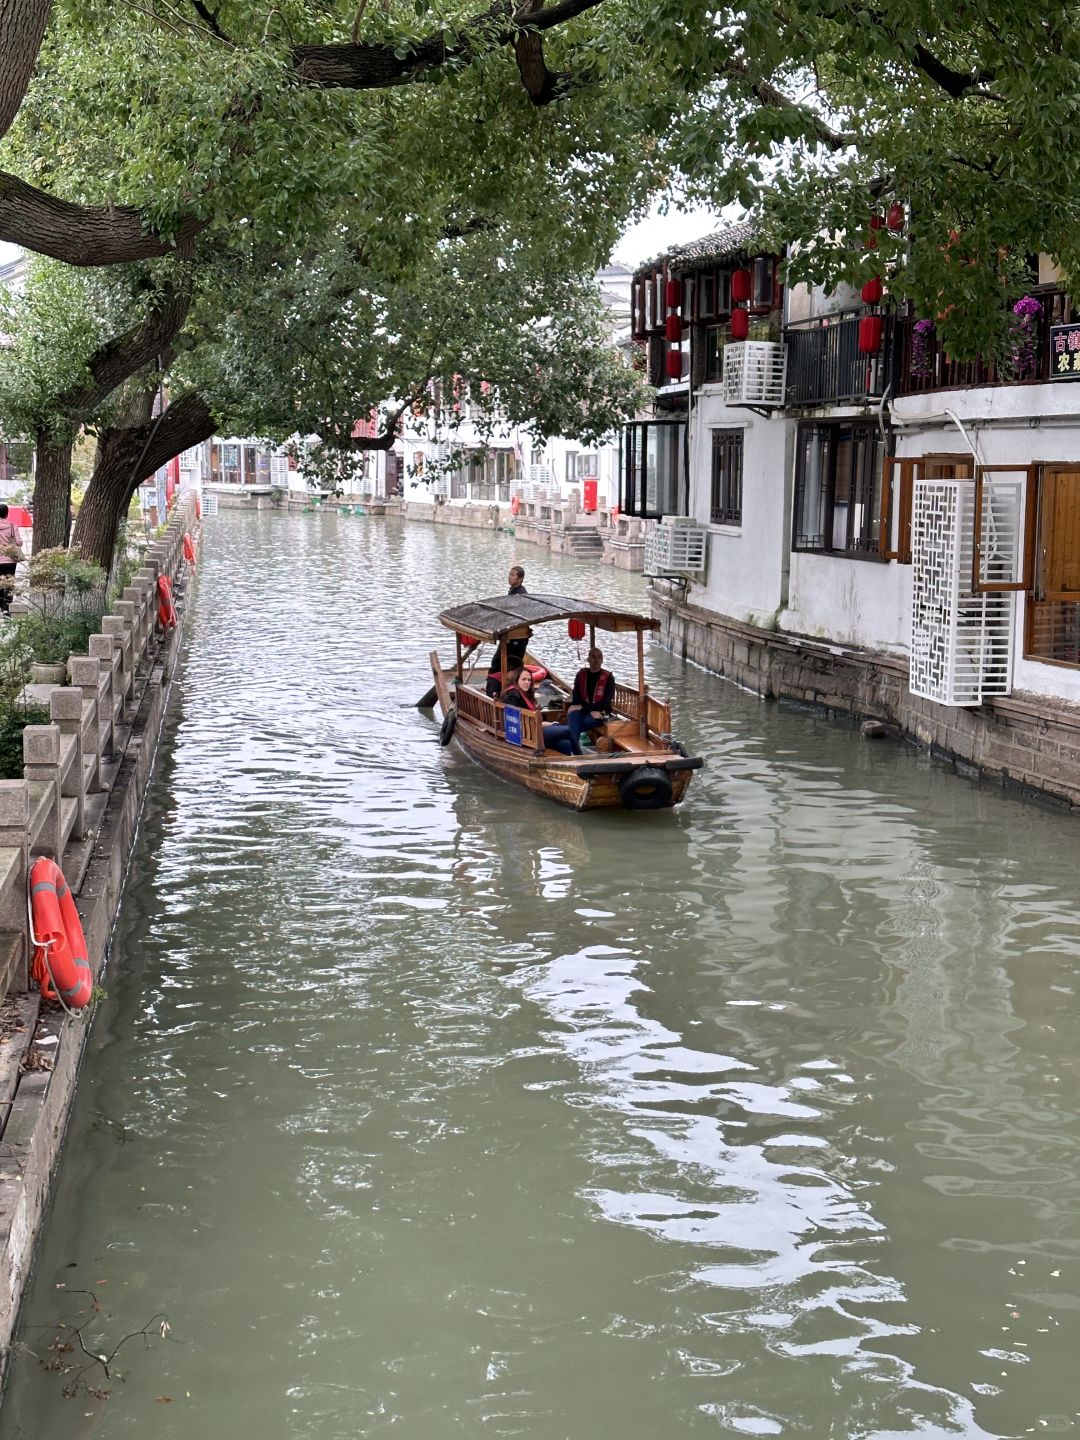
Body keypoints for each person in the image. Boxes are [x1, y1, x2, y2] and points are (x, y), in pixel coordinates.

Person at [501, 668, 575, 756]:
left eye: (529, 680)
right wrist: (544, 724)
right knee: (567, 729)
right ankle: (581, 757)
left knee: (565, 744)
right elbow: (513, 720)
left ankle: (566, 766)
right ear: (516, 680)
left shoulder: (525, 694)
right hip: (527, 734)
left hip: (533, 730)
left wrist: (545, 724)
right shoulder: (512, 695)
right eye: (523, 679)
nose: (527, 682)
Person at [567, 647, 615, 750]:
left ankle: (572, 751)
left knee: (576, 722)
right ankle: (575, 751)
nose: (596, 660)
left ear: (602, 660)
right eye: (593, 657)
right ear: (588, 659)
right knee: (573, 715)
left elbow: (606, 703)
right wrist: (588, 709)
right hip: (585, 712)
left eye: (599, 657)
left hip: (601, 713)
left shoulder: (608, 678)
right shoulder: (581, 675)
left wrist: (589, 709)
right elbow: (576, 699)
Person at [0, 504, 24, 616]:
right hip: (9, 560)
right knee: (9, 584)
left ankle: (0, 606)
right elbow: (19, 542)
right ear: (7, 513)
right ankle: (6, 608)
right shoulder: (11, 526)